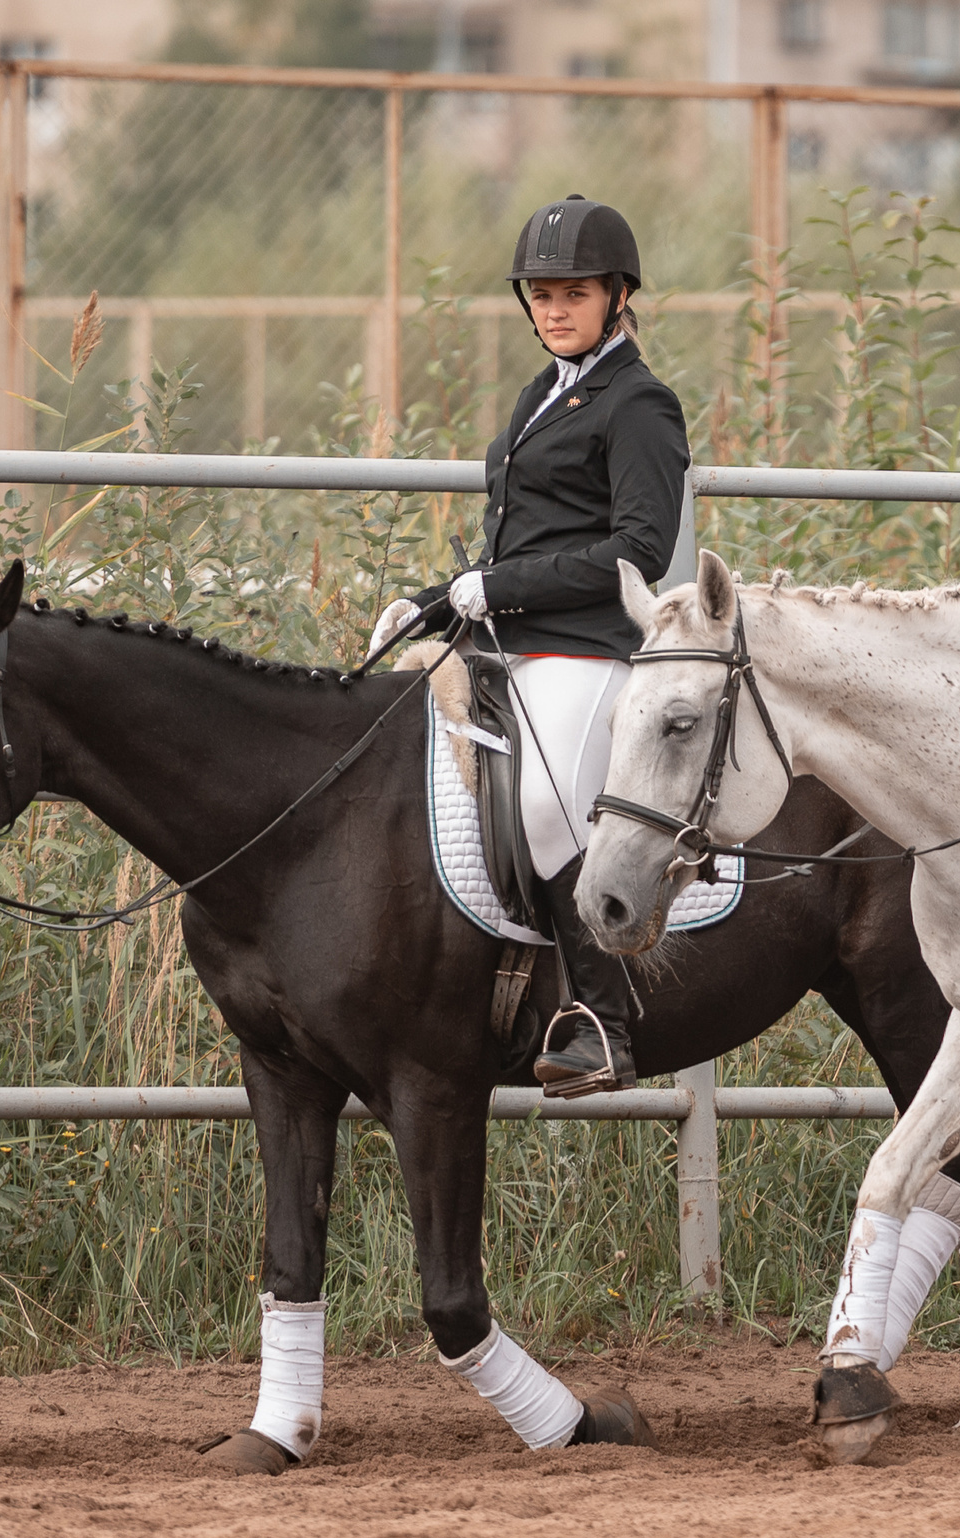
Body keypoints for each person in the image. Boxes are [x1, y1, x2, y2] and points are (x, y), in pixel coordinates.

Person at [370, 193, 689, 1096]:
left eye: (574, 293)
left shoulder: (639, 404)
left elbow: (639, 550)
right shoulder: (540, 393)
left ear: (617, 295)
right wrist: (435, 601)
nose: (553, 310)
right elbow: (518, 538)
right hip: (507, 641)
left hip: (589, 647)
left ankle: (601, 1019)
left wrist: (497, 589)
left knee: (549, 807)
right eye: (540, 294)